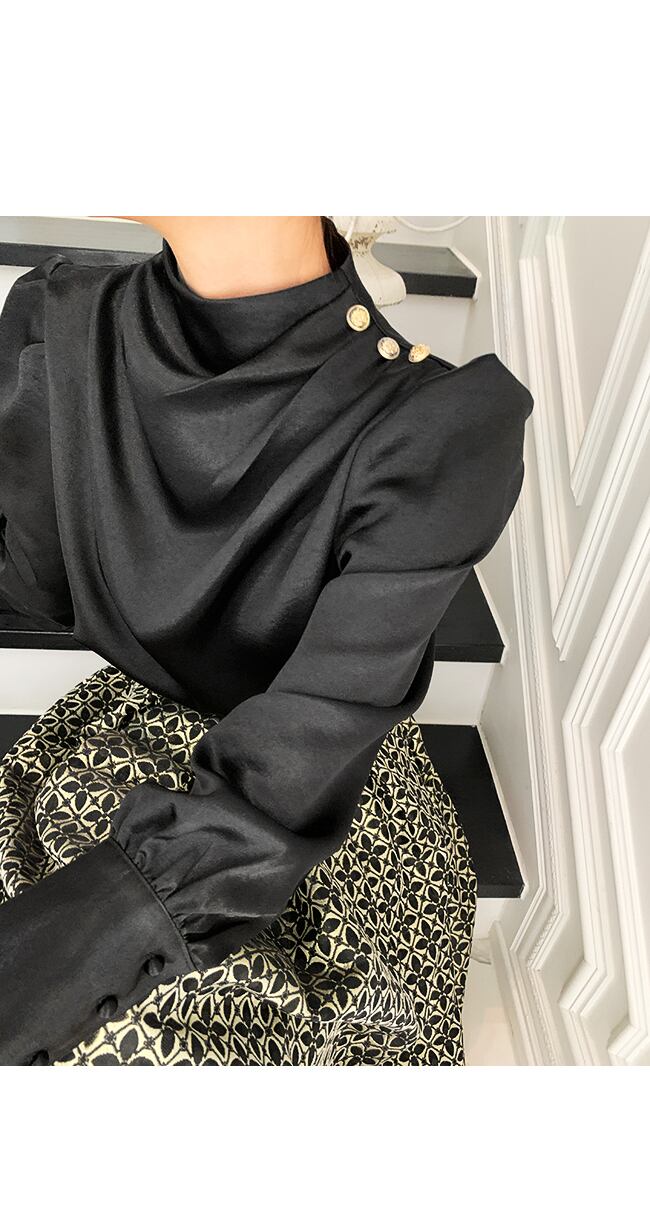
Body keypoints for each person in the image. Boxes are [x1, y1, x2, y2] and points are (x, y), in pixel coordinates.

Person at [0, 216, 534, 1065]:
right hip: (124, 743)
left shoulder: (443, 426)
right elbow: (27, 577)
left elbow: (287, 779)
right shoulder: (58, 318)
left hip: (321, 796)